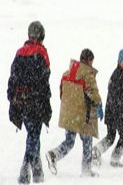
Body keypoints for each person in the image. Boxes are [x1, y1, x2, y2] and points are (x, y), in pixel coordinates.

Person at [45, 48, 103, 177]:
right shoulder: (88, 74)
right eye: (92, 62)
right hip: (82, 115)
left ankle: (54, 154)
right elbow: (93, 93)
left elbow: (62, 92)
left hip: (69, 114)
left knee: (69, 142)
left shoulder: (66, 73)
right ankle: (86, 171)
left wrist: (69, 108)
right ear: (88, 61)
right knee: (87, 141)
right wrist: (99, 104)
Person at [7, 21, 52, 184]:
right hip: (36, 103)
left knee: (33, 136)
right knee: (33, 137)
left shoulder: (19, 53)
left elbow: (11, 81)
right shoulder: (41, 53)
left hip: (20, 103)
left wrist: (12, 101)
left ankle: (38, 174)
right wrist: (46, 106)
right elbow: (44, 83)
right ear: (41, 35)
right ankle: (25, 176)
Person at [92, 49, 123, 168]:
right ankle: (114, 160)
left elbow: (121, 95)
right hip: (116, 113)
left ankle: (96, 151)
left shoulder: (120, 74)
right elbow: (118, 96)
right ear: (119, 61)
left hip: (113, 111)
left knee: (111, 136)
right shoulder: (118, 75)